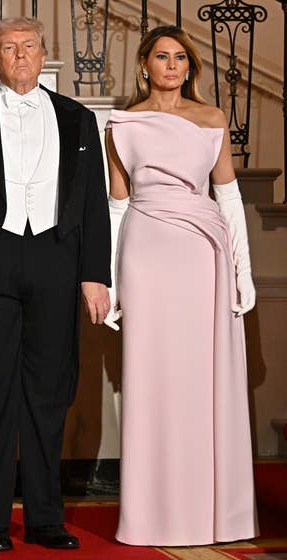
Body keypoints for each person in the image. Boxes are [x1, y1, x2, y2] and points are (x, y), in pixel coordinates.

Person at [0, 17, 111, 553]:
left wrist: (95, 274)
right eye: (8, 48)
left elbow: (92, 202)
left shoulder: (78, 118)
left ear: (43, 54)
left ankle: (45, 520)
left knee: (48, 395)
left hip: (56, 261)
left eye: (29, 46)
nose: (20, 55)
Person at [104, 26, 258, 545]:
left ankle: (213, 512)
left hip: (201, 253)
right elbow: (118, 205)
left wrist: (242, 270)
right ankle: (151, 515)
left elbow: (229, 197)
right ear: (144, 64)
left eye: (181, 58)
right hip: (146, 252)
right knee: (151, 377)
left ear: (190, 67)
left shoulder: (212, 119)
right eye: (162, 57)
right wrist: (111, 280)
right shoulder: (121, 125)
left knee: (202, 374)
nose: (172, 66)